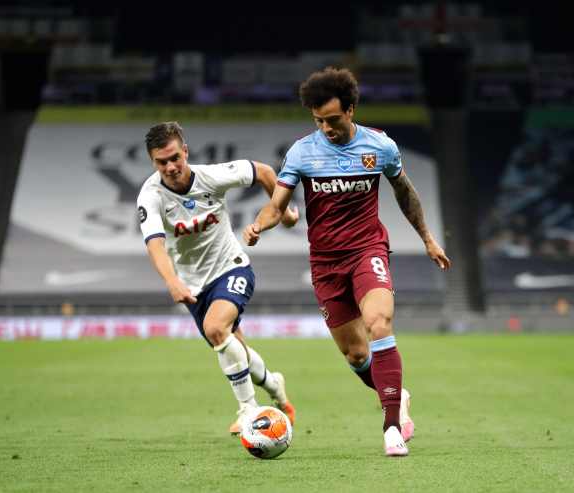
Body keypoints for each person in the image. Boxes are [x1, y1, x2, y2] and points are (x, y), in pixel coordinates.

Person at [243, 67, 451, 457]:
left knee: (379, 322)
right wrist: (258, 225)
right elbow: (277, 207)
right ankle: (397, 394)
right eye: (319, 120)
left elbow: (405, 193)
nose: (326, 128)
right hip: (325, 263)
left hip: (367, 250)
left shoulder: (380, 147)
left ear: (351, 110)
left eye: (333, 120)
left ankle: (391, 427)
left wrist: (427, 238)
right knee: (356, 355)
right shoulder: (302, 152)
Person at [137, 121, 299, 435]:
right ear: (152, 161)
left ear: (185, 151)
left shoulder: (212, 176)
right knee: (232, 346)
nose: (170, 166)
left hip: (232, 267)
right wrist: (172, 281)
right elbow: (154, 244)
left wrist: (285, 210)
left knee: (215, 328)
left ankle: (249, 410)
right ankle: (275, 385)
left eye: (174, 157)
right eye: (161, 161)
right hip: (193, 286)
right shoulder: (150, 196)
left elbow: (264, 172)